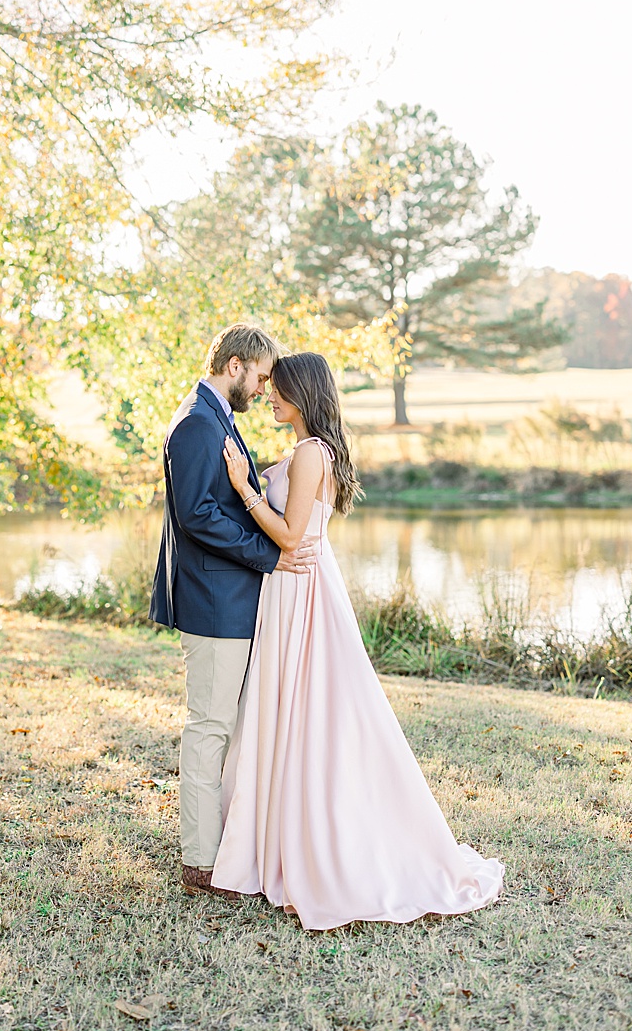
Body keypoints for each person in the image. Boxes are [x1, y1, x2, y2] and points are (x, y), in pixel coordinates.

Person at [209, 350, 504, 927]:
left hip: (301, 590)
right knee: (288, 714)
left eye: (276, 388)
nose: (267, 394)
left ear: (301, 395)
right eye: (265, 385)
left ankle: (317, 845)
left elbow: (292, 538)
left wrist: (245, 489)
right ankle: (270, 838)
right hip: (292, 589)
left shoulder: (311, 453)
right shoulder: (309, 451)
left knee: (306, 714)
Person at [151, 323, 317, 899]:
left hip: (231, 598)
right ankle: (199, 860)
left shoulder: (214, 415)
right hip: (215, 600)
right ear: (237, 364)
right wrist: (267, 556)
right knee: (209, 728)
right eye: (263, 376)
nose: (265, 388)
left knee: (228, 728)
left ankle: (229, 843)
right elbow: (197, 514)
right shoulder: (197, 422)